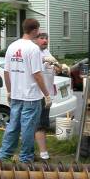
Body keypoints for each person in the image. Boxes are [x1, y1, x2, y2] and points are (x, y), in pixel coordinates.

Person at [0, 18, 52, 165]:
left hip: (16, 95)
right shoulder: (33, 49)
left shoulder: (12, 46)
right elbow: (37, 75)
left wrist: (9, 91)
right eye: (38, 30)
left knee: (13, 125)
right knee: (29, 128)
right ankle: (25, 159)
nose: (39, 32)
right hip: (31, 97)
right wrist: (46, 95)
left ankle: (3, 156)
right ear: (34, 30)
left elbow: (6, 72)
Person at [34, 31, 59, 161]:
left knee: (42, 124)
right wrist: (44, 59)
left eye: (46, 38)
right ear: (35, 40)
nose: (44, 40)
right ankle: (42, 154)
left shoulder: (47, 52)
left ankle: (40, 152)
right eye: (41, 38)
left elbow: (54, 68)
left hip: (47, 95)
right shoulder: (35, 52)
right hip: (38, 95)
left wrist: (60, 67)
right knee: (38, 124)